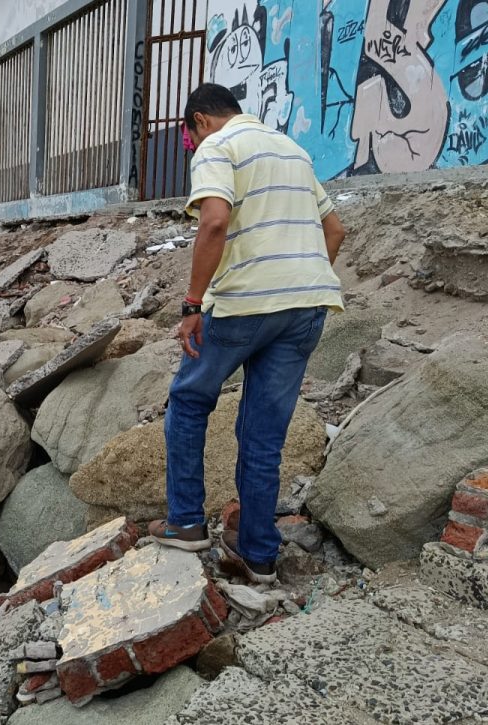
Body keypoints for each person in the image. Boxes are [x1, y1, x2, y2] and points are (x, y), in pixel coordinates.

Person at [149, 83, 346, 586]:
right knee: (263, 436)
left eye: (189, 136)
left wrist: (192, 305)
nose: (192, 145)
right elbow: (335, 230)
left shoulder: (218, 146)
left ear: (199, 121)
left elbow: (214, 221)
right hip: (306, 306)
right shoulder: (293, 150)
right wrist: (299, 281)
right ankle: (259, 555)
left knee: (190, 401)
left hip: (242, 306)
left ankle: (186, 523)